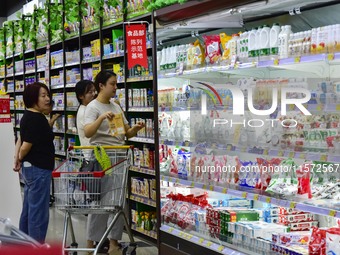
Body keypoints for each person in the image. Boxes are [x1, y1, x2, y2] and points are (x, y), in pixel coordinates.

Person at [84, 70, 145, 254]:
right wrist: (102, 117)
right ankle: (92, 242)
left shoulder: (116, 106)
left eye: (116, 83)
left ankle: (113, 243)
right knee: (100, 201)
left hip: (119, 156)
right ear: (101, 86)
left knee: (118, 202)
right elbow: (87, 132)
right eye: (112, 84)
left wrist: (135, 129)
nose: (115, 87)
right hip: (102, 156)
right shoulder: (93, 107)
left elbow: (126, 132)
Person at [12, 82, 55, 244]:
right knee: (39, 212)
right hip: (39, 170)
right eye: (43, 96)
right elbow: (25, 146)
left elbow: (22, 139)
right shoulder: (36, 119)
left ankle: (23, 244)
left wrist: (17, 160)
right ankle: (36, 247)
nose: (47, 99)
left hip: (31, 169)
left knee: (29, 209)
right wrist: (19, 157)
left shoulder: (27, 116)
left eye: (47, 95)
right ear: (32, 98)